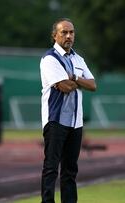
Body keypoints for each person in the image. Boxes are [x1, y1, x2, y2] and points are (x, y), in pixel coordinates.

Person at [40, 18, 96, 203]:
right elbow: (65, 87)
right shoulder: (49, 59)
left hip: (75, 123)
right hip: (55, 120)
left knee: (70, 170)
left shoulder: (78, 59)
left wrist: (73, 77)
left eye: (71, 32)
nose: (69, 36)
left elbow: (93, 85)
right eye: (64, 32)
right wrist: (78, 81)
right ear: (54, 35)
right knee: (51, 168)